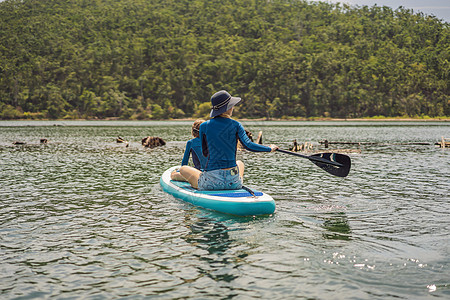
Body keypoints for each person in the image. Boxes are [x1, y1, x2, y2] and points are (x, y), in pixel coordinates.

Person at [179, 90, 278, 190]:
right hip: (233, 183)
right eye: (232, 105)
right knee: (240, 163)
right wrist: (269, 148)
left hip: (211, 183)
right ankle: (235, 181)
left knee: (183, 169)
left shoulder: (204, 126)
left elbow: (205, 152)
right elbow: (249, 145)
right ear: (228, 107)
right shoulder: (236, 125)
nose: (233, 107)